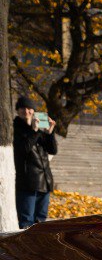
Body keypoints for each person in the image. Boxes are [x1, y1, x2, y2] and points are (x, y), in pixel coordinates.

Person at [12, 96, 58, 229]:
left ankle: (38, 250)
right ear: (17, 111)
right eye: (22, 108)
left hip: (45, 182)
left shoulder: (37, 128)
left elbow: (52, 150)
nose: (26, 111)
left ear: (34, 111)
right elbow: (23, 150)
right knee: (26, 222)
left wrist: (49, 133)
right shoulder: (16, 128)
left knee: (41, 223)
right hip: (27, 184)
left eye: (29, 108)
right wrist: (34, 131)